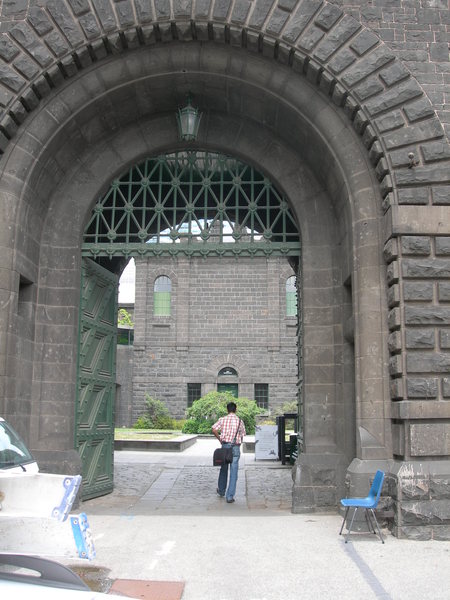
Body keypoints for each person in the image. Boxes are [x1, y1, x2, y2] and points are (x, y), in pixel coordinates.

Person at [212, 402, 246, 503]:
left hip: (225, 446)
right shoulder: (240, 421)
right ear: (236, 410)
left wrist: (220, 439)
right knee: (234, 472)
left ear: (227, 410)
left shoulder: (222, 419)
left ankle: (221, 491)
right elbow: (242, 434)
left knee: (223, 469)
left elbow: (214, 429)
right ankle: (230, 496)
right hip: (235, 447)